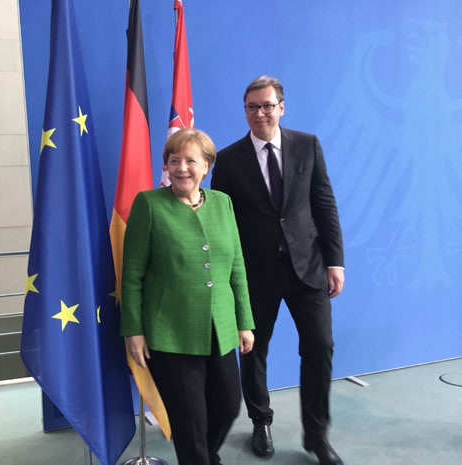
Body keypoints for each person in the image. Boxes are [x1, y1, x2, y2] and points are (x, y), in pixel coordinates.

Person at [211, 76, 345, 465]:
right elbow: (223, 223)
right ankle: (260, 422)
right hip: (254, 273)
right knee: (254, 350)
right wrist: (227, 277)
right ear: (245, 111)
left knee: (320, 346)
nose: (260, 113)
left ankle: (316, 435)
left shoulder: (308, 145)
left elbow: (324, 203)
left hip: (308, 267)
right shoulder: (229, 159)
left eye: (267, 105)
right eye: (252, 107)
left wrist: (335, 260)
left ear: (281, 107)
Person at [121, 128, 255, 465]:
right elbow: (132, 274)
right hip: (170, 333)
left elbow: (237, 267)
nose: (181, 168)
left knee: (228, 406)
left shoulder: (222, 203)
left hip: (220, 328)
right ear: (165, 165)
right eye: (174, 160)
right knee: (190, 423)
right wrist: (133, 331)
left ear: (206, 166)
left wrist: (244, 322)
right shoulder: (148, 204)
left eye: (191, 161)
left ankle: (203, 457)